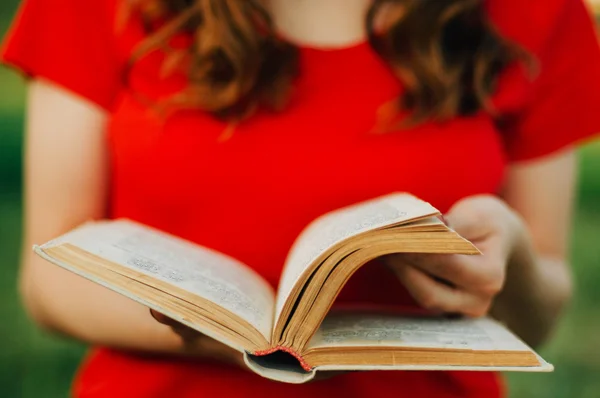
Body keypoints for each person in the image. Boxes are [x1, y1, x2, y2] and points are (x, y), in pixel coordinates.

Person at [2, 0, 600, 397]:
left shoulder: (537, 13)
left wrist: (512, 256)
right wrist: (219, 334)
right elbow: (48, 278)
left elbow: (536, 317)